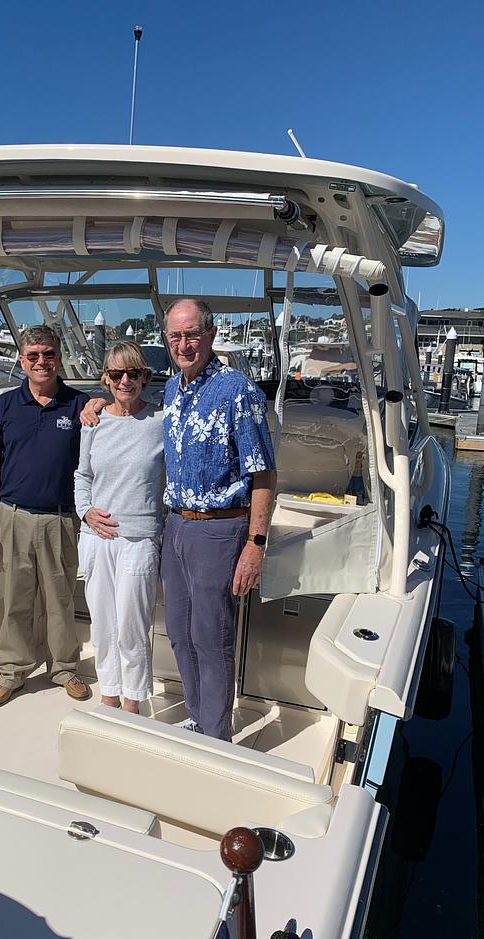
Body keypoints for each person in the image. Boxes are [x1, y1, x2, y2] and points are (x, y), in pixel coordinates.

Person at [81, 299, 276, 741]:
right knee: (181, 635)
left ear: (210, 333)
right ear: (166, 339)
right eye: (175, 336)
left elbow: (264, 473)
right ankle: (197, 714)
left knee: (212, 636)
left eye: (192, 334)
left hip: (219, 528)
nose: (184, 344)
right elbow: (130, 414)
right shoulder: (172, 391)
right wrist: (95, 404)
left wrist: (255, 544)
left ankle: (215, 734)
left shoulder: (237, 390)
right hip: (175, 526)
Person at [0, 325, 92, 707]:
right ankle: (12, 671)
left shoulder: (79, 405)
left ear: (59, 356)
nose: (42, 361)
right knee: (15, 600)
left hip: (61, 518)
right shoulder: (5, 406)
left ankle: (64, 669)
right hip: (13, 516)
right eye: (34, 355)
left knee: (60, 600)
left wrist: (102, 403)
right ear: (22, 361)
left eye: (49, 353)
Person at [74, 342, 164, 714]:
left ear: (145, 377)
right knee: (103, 626)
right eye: (116, 374)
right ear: (105, 380)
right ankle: (108, 696)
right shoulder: (93, 422)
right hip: (96, 539)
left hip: (139, 539)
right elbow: (83, 475)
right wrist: (85, 512)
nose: (125, 381)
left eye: (133, 373)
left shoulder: (161, 421)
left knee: (132, 627)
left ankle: (132, 704)